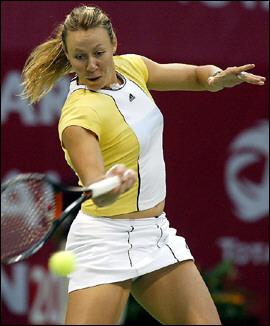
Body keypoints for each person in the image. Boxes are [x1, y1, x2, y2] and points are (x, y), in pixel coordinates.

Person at [20, 5, 266, 325]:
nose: (92, 65)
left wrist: (215, 77)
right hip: (104, 241)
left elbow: (193, 76)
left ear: (114, 45)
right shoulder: (78, 118)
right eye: (80, 57)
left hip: (155, 233)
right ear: (68, 56)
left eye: (99, 53)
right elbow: (96, 186)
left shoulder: (132, 68)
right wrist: (111, 184)